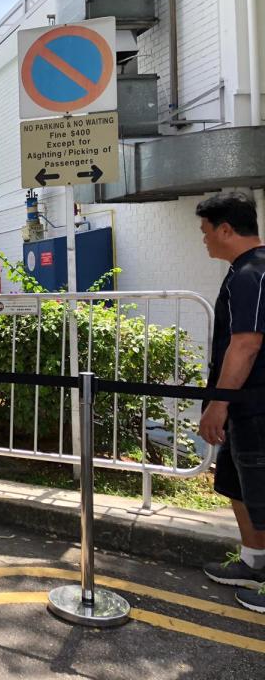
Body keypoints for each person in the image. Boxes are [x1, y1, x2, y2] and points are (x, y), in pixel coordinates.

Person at [196, 192, 265, 613]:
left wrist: (218, 403)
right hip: (243, 405)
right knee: (237, 485)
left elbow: (246, 343)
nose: (203, 240)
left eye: (206, 232)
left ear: (226, 229)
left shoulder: (252, 273)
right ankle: (254, 563)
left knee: (260, 489)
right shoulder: (243, 270)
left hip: (255, 404)